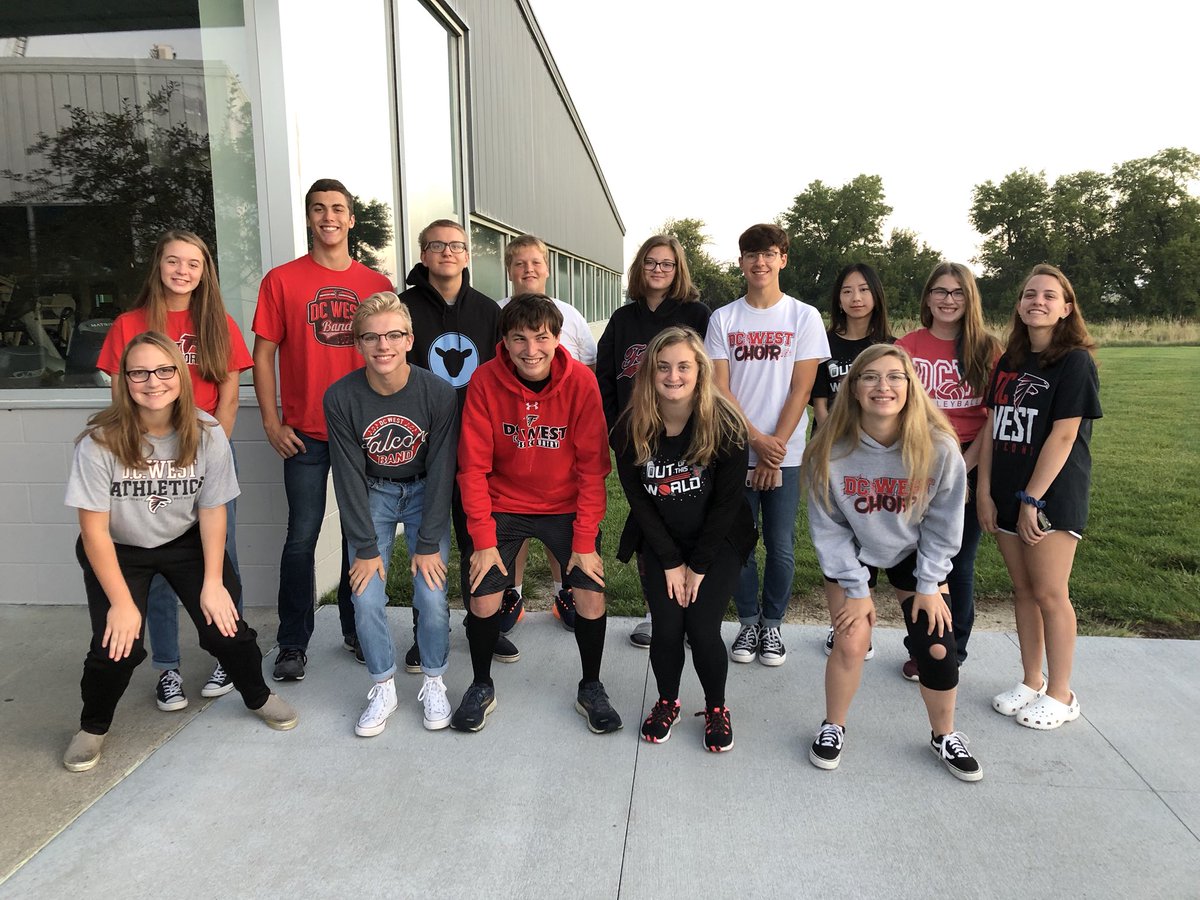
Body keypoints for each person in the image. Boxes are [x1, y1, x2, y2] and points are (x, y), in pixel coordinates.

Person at [62, 333, 297, 773]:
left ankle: (259, 696)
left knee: (226, 629)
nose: (153, 382)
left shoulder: (206, 433)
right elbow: (93, 532)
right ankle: (92, 726)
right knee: (116, 646)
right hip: (119, 549)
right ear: (124, 380)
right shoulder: (99, 441)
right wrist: (122, 604)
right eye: (139, 373)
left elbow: (212, 512)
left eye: (164, 370)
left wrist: (213, 582)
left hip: (186, 542)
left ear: (180, 375)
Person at [803, 344, 980, 781]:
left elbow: (944, 523)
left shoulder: (938, 447)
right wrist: (856, 590)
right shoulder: (830, 449)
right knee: (851, 641)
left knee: (937, 646)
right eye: (871, 377)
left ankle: (944, 735)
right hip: (853, 551)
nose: (883, 386)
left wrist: (929, 584)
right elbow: (829, 529)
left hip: (913, 550)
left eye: (895, 377)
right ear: (854, 389)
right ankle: (833, 725)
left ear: (910, 387)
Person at [96, 230, 253, 709]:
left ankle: (228, 656)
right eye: (173, 261)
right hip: (145, 461)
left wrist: (209, 452)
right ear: (158, 266)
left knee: (220, 560)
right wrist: (142, 455)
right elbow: (121, 398)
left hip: (205, 454)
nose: (182, 271)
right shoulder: (129, 324)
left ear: (205, 272)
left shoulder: (219, 324)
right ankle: (168, 669)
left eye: (193, 263)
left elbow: (229, 398)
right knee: (158, 565)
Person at [451, 294, 617, 733]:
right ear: (504, 341)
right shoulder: (485, 380)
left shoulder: (581, 382)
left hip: (564, 505)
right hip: (504, 502)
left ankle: (591, 686)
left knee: (590, 592)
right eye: (519, 338)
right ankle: (481, 684)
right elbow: (472, 468)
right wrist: (483, 540)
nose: (530, 350)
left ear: (557, 338)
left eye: (541, 338)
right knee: (483, 594)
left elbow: (593, 469)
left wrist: (584, 541)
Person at [252, 179, 392, 682]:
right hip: (305, 433)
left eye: (337, 209)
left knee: (362, 536)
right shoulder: (281, 280)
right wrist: (271, 420)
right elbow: (263, 355)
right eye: (318, 209)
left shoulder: (375, 284)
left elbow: (392, 355)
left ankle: (358, 630)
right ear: (308, 217)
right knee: (301, 538)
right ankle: (292, 642)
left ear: (351, 219)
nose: (328, 217)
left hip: (363, 434)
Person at [613, 327, 755, 751]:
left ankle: (716, 707)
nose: (673, 376)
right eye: (663, 367)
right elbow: (640, 503)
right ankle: (667, 701)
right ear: (650, 373)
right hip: (662, 540)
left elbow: (726, 505)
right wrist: (673, 562)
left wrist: (699, 566)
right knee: (668, 627)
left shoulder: (726, 424)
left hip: (719, 540)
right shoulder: (631, 427)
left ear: (700, 371)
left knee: (702, 627)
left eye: (683, 367)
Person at [325, 293, 458, 735]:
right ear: (357, 344)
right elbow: (347, 475)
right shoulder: (341, 397)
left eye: (393, 335)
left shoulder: (437, 393)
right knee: (365, 597)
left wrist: (428, 541)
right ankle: (383, 686)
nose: (383, 345)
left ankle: (434, 680)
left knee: (431, 595)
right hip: (374, 493)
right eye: (371, 337)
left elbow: (443, 470)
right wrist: (364, 547)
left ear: (409, 340)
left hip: (424, 492)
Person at [978, 264, 1100, 731]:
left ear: (1066, 308)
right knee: (1023, 591)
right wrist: (985, 491)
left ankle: (1061, 693)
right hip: (1007, 491)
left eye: (1050, 296)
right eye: (1030, 294)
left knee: (1050, 593)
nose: (1038, 302)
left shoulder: (1075, 362)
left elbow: (1064, 435)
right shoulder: (1008, 360)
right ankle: (1032, 680)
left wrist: (1033, 500)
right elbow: (993, 428)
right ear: (1019, 304)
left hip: (1050, 496)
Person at [703, 223, 829, 667]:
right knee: (737, 543)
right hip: (736, 450)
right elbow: (720, 388)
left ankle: (773, 626)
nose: (760, 261)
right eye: (752, 254)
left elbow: (801, 388)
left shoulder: (803, 317)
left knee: (780, 545)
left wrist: (774, 451)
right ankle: (748, 622)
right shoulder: (724, 318)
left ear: (783, 259)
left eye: (769, 253)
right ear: (741, 262)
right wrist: (755, 441)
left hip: (786, 456)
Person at [398, 219, 515, 668]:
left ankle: (483, 627)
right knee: (427, 545)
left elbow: (503, 377)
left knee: (478, 539)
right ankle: (426, 632)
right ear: (423, 254)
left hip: (476, 448)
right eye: (437, 245)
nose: (447, 252)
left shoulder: (489, 312)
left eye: (456, 245)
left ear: (467, 256)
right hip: (422, 448)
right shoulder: (404, 308)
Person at [597, 233, 710, 649]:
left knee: (689, 514)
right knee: (649, 518)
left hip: (687, 435)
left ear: (679, 270)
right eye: (650, 262)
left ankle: (694, 607)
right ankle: (654, 610)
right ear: (639, 268)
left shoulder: (696, 314)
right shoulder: (623, 318)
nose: (658, 269)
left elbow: (710, 375)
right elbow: (604, 377)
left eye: (667, 263)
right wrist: (616, 429)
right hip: (639, 436)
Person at [895, 262, 1000, 679]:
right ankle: (924, 645)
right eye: (940, 291)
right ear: (928, 297)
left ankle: (953, 648)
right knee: (919, 558)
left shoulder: (988, 350)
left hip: (969, 460)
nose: (948, 300)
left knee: (958, 560)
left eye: (958, 292)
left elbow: (993, 418)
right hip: (917, 462)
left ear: (969, 299)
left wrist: (964, 466)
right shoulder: (908, 346)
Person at [496, 234, 598, 636]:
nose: (528, 269)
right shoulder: (496, 311)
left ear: (547, 267)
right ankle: (513, 592)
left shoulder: (569, 314)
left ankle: (563, 591)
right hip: (512, 436)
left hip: (559, 439)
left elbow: (587, 366)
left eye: (535, 262)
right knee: (514, 518)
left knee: (561, 521)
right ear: (509, 269)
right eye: (519, 263)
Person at [811, 262, 895, 661]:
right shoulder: (823, 343)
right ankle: (841, 623)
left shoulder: (891, 347)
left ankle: (863, 624)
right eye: (847, 291)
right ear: (838, 299)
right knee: (837, 537)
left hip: (878, 459)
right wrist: (834, 443)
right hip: (834, 454)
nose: (855, 298)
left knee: (869, 536)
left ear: (875, 295)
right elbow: (819, 401)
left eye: (863, 289)